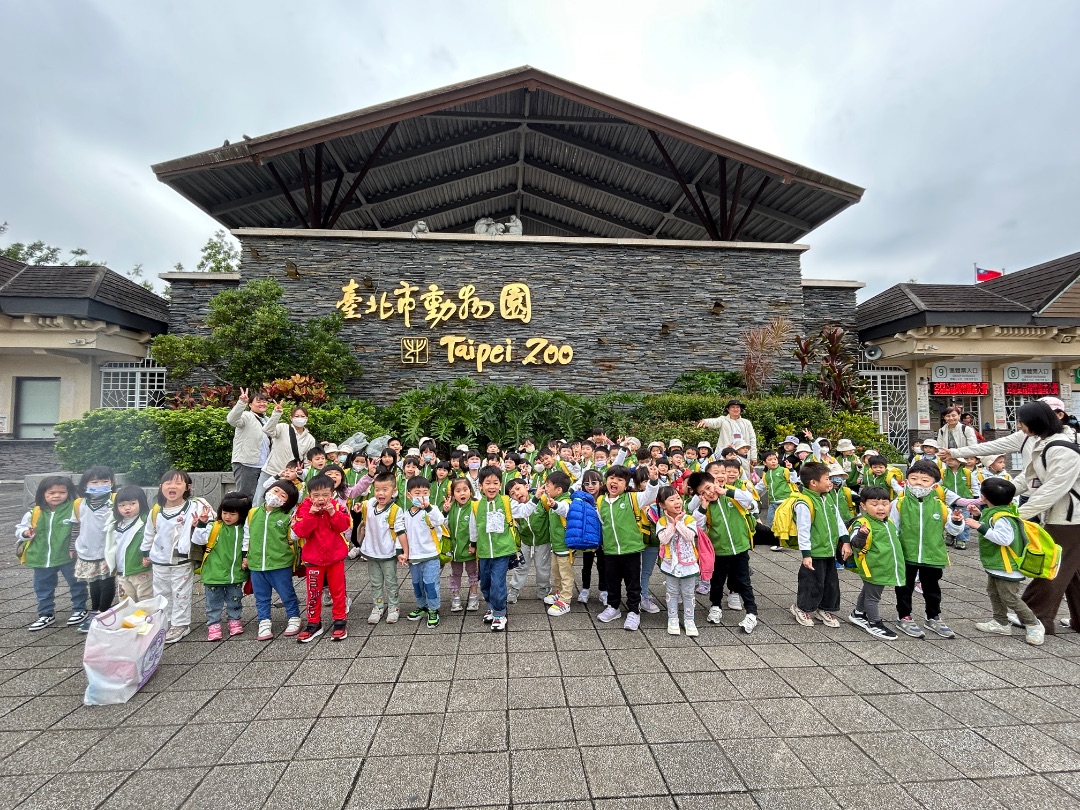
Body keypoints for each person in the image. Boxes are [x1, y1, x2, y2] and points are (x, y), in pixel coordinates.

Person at [1010, 401, 1080, 635]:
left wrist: (1019, 514)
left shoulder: (1061, 449)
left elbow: (1053, 488)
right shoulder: (1044, 443)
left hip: (1069, 518)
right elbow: (1028, 478)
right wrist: (1000, 493)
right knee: (1072, 571)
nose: (1019, 426)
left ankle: (1036, 616)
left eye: (1022, 422)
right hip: (1065, 516)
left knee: (1052, 566)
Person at [964, 477, 1044, 645]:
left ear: (983, 497)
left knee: (1009, 597)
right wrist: (979, 515)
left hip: (1007, 566)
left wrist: (979, 526)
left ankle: (1034, 624)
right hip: (997, 565)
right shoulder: (996, 512)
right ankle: (1000, 622)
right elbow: (992, 525)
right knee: (994, 593)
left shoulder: (1002, 517)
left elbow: (1004, 539)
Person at [891, 461, 965, 639]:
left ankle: (933, 617)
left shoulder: (940, 506)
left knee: (932, 589)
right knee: (904, 587)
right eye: (914, 478)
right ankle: (904, 616)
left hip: (933, 555)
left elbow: (953, 530)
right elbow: (893, 528)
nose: (918, 483)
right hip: (906, 554)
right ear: (906, 481)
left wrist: (956, 521)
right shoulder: (899, 503)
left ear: (934, 485)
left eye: (925, 480)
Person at [140, 469, 214, 644]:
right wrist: (145, 553)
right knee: (161, 593)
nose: (172, 486)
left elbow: (208, 524)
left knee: (181, 593)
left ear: (187, 487)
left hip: (181, 560)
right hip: (159, 560)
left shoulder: (194, 507)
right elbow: (149, 533)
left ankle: (181, 624)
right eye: (168, 483)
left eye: (178, 483)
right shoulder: (156, 511)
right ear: (161, 487)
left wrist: (200, 523)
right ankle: (164, 623)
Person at [689, 470, 759, 633]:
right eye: (703, 492)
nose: (708, 493)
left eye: (709, 487)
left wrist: (725, 491)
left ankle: (751, 613)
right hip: (718, 551)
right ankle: (715, 606)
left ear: (715, 482)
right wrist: (703, 507)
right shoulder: (704, 507)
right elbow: (698, 527)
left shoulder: (731, 494)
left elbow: (749, 499)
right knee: (717, 581)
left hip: (740, 548)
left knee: (743, 581)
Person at [16, 476, 88, 631]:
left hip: (68, 556)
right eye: (51, 493)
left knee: (77, 583)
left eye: (62, 492)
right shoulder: (35, 512)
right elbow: (20, 529)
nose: (57, 496)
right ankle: (46, 613)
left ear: (69, 493)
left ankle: (80, 609)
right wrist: (25, 533)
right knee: (42, 587)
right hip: (41, 557)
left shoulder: (74, 509)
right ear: (43, 494)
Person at [596, 464, 659, 631]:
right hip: (610, 550)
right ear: (606, 481)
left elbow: (650, 494)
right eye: (611, 478)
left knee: (633, 583)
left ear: (626, 484)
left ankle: (634, 611)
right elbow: (602, 523)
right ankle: (613, 607)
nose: (614, 482)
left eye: (620, 480)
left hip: (631, 549)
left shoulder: (632, 498)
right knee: (612, 581)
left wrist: (653, 481)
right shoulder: (601, 501)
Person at [789, 462, 850, 628]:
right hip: (815, 552)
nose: (830, 482)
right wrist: (806, 555)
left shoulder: (827, 497)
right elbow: (803, 530)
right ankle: (802, 607)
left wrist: (845, 541)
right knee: (811, 583)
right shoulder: (804, 502)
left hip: (829, 550)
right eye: (827, 479)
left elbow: (838, 520)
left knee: (831, 583)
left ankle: (824, 608)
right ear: (813, 483)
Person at [293, 474, 353, 641]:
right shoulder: (303, 508)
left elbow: (344, 526)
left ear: (332, 493)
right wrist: (311, 515)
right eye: (316, 495)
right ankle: (314, 623)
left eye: (325, 494)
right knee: (313, 592)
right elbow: (300, 532)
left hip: (335, 557)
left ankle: (340, 621)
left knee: (338, 591)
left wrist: (332, 512)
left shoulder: (337, 506)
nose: (321, 499)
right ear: (309, 495)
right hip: (313, 559)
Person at [245, 478, 303, 640]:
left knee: (287, 593)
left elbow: (295, 537)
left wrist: (295, 525)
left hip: (280, 563)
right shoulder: (253, 513)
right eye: (275, 491)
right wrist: (245, 556)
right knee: (261, 596)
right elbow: (247, 536)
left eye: (283, 495)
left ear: (288, 501)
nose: (277, 496)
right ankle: (264, 621)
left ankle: (294, 617)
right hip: (256, 563)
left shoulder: (287, 516)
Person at [192, 491, 251, 641]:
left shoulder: (244, 529)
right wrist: (201, 524)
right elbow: (198, 540)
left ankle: (234, 620)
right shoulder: (215, 526)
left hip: (235, 573)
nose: (227, 517)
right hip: (214, 572)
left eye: (232, 514)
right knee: (213, 602)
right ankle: (214, 624)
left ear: (241, 514)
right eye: (225, 513)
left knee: (235, 599)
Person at [469, 466, 521, 632]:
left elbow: (523, 510)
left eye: (495, 483)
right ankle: (491, 606)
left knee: (498, 583)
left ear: (500, 485)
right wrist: (473, 544)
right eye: (487, 483)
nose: (491, 486)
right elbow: (473, 527)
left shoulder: (506, 501)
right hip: (484, 551)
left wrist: (535, 499)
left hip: (502, 550)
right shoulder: (476, 505)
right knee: (485, 582)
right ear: (480, 486)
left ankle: (500, 613)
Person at [847, 487, 903, 640]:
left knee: (868, 591)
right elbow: (855, 543)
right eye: (874, 504)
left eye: (885, 504)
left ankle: (858, 613)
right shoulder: (862, 523)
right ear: (863, 506)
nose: (881, 508)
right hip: (872, 566)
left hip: (884, 565)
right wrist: (861, 535)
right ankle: (874, 623)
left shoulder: (888, 522)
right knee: (873, 597)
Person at [71, 466, 118, 633]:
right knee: (94, 582)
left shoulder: (115, 500)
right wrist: (72, 546)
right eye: (95, 482)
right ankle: (95, 610)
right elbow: (76, 526)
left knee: (107, 582)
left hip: (107, 549)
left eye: (105, 481)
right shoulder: (80, 504)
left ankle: (103, 612)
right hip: (87, 549)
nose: (100, 485)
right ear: (85, 485)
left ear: (112, 483)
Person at [397, 475, 447, 629]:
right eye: (417, 493)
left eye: (425, 493)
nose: (421, 497)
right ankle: (422, 606)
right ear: (409, 495)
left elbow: (439, 520)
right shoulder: (405, 514)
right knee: (417, 584)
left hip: (430, 555)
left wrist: (428, 508)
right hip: (413, 557)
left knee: (430, 583)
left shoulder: (432, 510)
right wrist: (401, 552)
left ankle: (433, 609)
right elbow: (401, 533)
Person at [359, 472, 408, 624]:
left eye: (385, 489)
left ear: (394, 491)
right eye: (377, 489)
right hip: (371, 552)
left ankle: (393, 607)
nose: (380, 493)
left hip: (388, 553)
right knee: (375, 582)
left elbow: (400, 532)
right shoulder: (370, 504)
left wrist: (403, 551)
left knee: (391, 582)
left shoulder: (395, 510)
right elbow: (363, 503)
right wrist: (357, 506)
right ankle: (378, 606)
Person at [655, 485, 701, 636]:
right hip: (670, 564)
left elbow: (689, 536)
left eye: (678, 498)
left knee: (688, 593)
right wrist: (671, 524)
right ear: (662, 505)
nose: (677, 502)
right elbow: (663, 539)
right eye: (671, 499)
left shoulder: (689, 519)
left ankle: (689, 620)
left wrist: (678, 523)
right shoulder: (661, 522)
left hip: (688, 564)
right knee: (672, 592)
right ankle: (672, 619)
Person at [257, 403, 317, 506]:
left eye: (302, 416)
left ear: (307, 418)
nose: (300, 418)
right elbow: (267, 430)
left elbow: (308, 463)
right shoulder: (282, 428)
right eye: (297, 416)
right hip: (271, 471)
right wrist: (276, 414)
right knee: (260, 500)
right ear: (291, 418)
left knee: (284, 505)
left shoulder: (310, 439)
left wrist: (300, 473)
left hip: (291, 478)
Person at [105, 485, 153, 602]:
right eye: (122, 505)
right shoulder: (116, 524)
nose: (127, 508)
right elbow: (112, 546)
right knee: (126, 601)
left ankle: (147, 615)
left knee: (145, 598)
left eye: (132, 503)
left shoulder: (146, 520)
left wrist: (150, 556)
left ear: (141, 502)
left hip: (141, 568)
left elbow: (152, 540)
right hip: (122, 570)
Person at [539, 472, 574, 615]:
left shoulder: (565, 501)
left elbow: (564, 509)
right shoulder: (554, 499)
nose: (546, 488)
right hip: (556, 545)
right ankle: (559, 592)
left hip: (565, 546)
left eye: (548, 485)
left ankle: (566, 600)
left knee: (566, 574)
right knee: (556, 571)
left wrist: (554, 505)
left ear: (559, 490)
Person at [227, 388, 272, 498]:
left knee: (260, 498)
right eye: (258, 401)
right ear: (250, 405)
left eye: (264, 401)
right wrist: (241, 403)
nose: (262, 404)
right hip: (246, 464)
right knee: (245, 497)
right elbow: (232, 420)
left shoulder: (267, 419)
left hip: (264, 466)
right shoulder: (247, 415)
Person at [443, 478, 479, 613]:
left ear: (471, 490)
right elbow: (444, 525)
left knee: (472, 572)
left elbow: (476, 528)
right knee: (456, 573)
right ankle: (456, 596)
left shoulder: (474, 506)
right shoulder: (452, 506)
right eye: (458, 491)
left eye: (465, 490)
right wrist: (445, 512)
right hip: (455, 549)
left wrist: (473, 544)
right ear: (453, 494)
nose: (462, 493)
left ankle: (474, 596)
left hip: (470, 547)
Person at [577, 469, 608, 606]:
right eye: (586, 483)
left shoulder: (606, 499)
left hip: (603, 538)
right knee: (586, 564)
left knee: (603, 565)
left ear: (601, 483)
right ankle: (585, 589)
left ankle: (603, 590)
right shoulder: (582, 499)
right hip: (588, 538)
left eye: (594, 483)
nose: (590, 486)